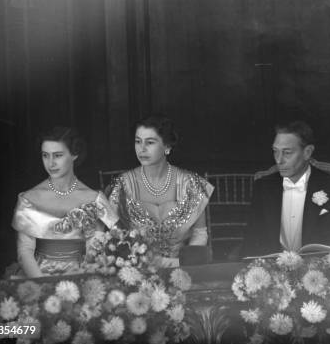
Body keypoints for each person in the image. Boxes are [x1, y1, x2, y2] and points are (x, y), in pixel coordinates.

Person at [12, 127, 118, 277]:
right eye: (45, 156)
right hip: (38, 278)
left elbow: (94, 250)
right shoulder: (29, 199)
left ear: (74, 154)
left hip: (83, 276)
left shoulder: (94, 199)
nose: (51, 163)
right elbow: (25, 251)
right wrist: (43, 284)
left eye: (58, 155)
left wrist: (78, 281)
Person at [108, 115, 212, 268]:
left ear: (167, 147)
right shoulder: (122, 185)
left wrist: (181, 264)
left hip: (181, 270)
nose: (142, 149)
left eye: (150, 142)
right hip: (137, 272)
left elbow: (199, 234)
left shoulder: (191, 184)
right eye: (138, 141)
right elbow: (114, 236)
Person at [242, 121, 330, 257]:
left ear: (307, 152)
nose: (279, 160)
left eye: (287, 153)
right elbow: (252, 240)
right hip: (273, 271)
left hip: (317, 271)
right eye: (275, 151)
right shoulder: (263, 187)